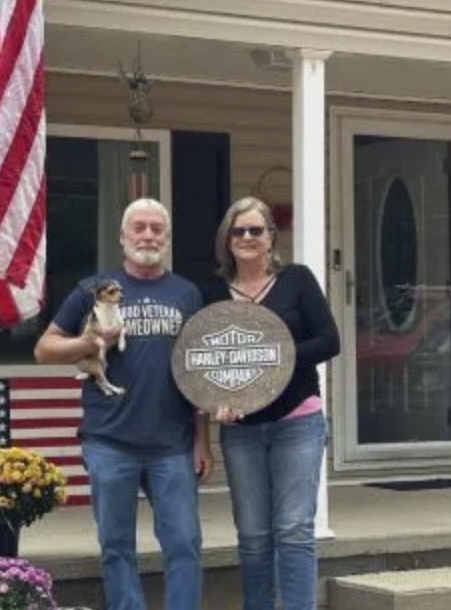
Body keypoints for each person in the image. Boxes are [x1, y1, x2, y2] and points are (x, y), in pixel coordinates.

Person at [34, 197, 213, 610]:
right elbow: (45, 349)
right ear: (122, 236)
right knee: (116, 546)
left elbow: (199, 371)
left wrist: (202, 440)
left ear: (167, 238)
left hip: (173, 443)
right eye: (139, 227)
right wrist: (89, 342)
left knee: (184, 543)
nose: (148, 235)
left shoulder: (187, 293)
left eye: (156, 228)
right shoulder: (92, 288)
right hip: (110, 440)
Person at [200, 196, 340, 610]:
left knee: (294, 529)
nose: (246, 237)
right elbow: (201, 363)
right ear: (227, 240)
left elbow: (330, 340)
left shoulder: (297, 279)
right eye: (238, 231)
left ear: (270, 237)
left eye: (255, 230)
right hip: (241, 428)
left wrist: (276, 356)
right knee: (254, 535)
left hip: (298, 421)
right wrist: (214, 402)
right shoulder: (211, 293)